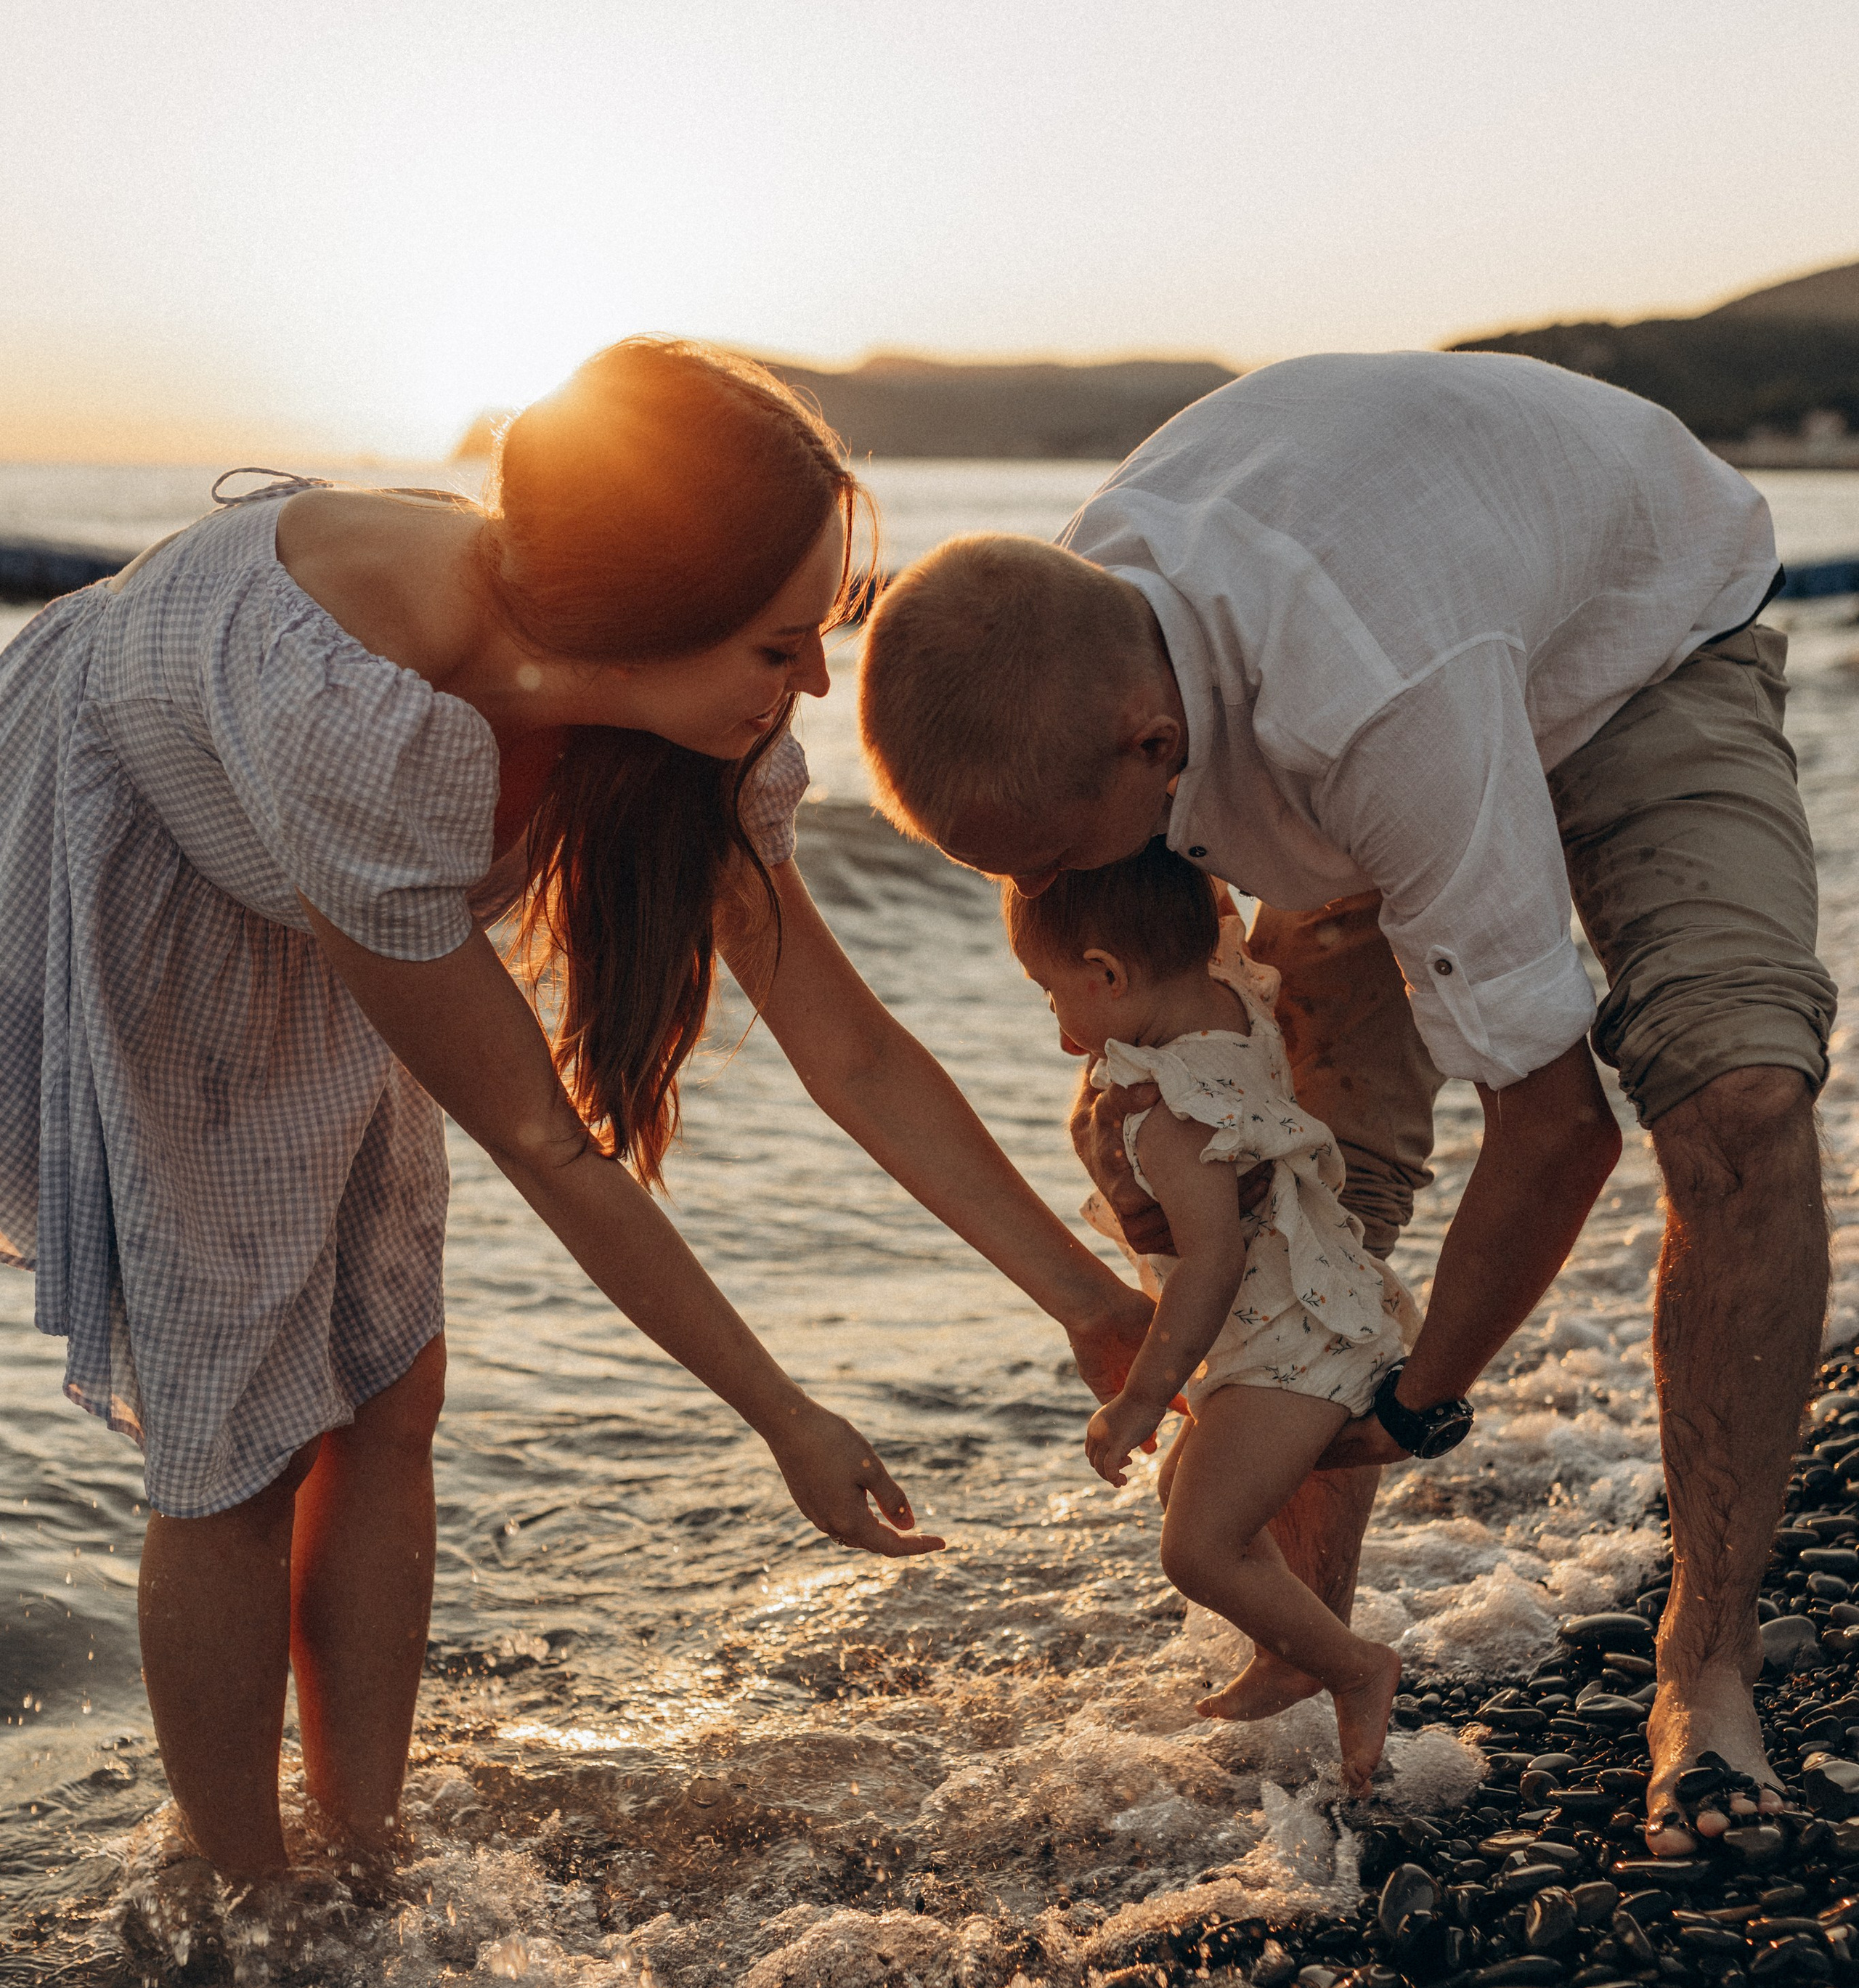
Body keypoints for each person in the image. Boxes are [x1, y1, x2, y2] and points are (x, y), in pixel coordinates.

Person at [0, 338, 1152, 1885]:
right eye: (779, 645)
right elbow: (544, 1143)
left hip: (323, 880)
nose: (814, 685)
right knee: (240, 1442)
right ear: (639, 619)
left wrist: (1091, 1302)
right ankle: (248, 1906)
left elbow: (851, 1049)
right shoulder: (350, 711)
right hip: (148, 870)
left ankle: (365, 1844)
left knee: (392, 1385)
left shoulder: (656, 714)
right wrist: (785, 1417)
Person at [858, 349, 1834, 1856]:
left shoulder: (1370, 705)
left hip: (1634, 637)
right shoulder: (1068, 626)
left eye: (1046, 863)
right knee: (1289, 1157)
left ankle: (1705, 1667)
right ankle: (1302, 1642)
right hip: (1404, 652)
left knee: (1736, 1098)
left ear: (1152, 747)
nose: (1040, 898)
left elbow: (1554, 1126)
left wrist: (1414, 1402)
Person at [1006, 840, 1409, 1790]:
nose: (1058, 1028)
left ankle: (1355, 1667)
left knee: (1196, 1549)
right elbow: (1208, 911)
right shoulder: (1231, 988)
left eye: (1051, 995)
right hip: (1303, 1311)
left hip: (1288, 1345)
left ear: (1107, 974)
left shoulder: (1173, 1115)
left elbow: (1211, 1263)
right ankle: (1288, 1652)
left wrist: (1142, 1399)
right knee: (1185, 1489)